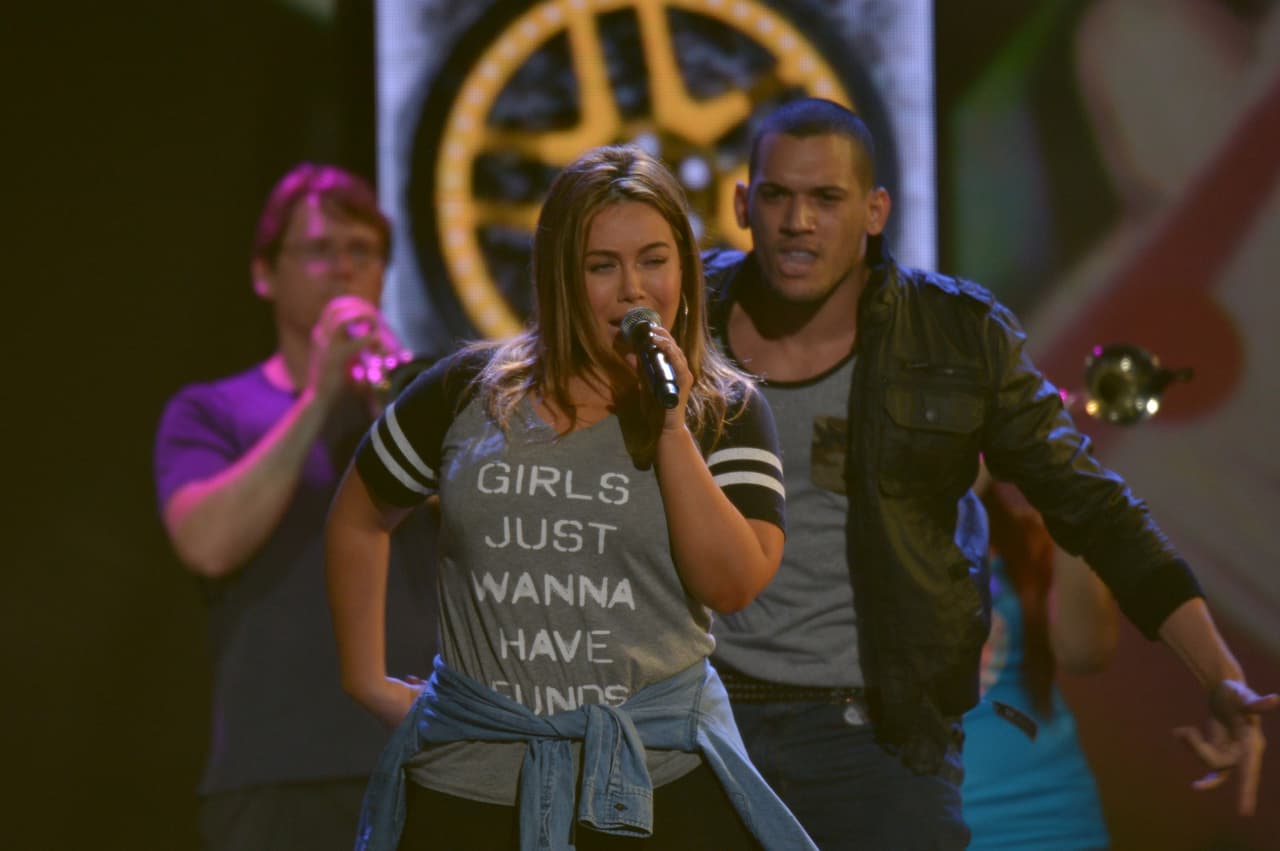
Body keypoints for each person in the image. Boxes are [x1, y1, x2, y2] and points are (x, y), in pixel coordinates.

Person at [702, 97, 1277, 849]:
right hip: (705, 726)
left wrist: (1218, 674)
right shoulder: (685, 314)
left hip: (879, 735)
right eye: (777, 195)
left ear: (875, 210)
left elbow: (1096, 510)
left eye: (826, 198)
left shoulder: (957, 337)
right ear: (744, 204)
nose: (798, 221)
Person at [325, 144, 815, 851]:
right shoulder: (471, 390)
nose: (632, 291)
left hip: (655, 785)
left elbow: (732, 582)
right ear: (560, 276)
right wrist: (365, 680)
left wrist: (670, 425)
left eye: (654, 259)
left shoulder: (724, 410)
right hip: (471, 781)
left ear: (684, 265)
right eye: (601, 266)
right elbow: (360, 515)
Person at [153, 163, 438, 851]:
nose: (341, 270)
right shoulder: (212, 410)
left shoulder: (427, 401)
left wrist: (392, 407)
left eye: (361, 252)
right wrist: (317, 400)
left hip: (425, 755)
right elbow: (207, 543)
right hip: (277, 771)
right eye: (317, 251)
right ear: (264, 273)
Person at [962, 474, 1117, 850]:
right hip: (913, 816)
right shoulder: (850, 529)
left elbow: (1087, 654)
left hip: (1048, 816)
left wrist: (1062, 485)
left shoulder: (1028, 536)